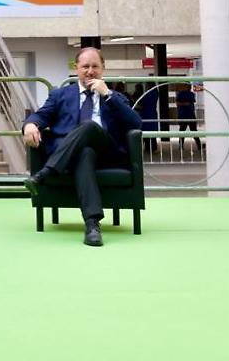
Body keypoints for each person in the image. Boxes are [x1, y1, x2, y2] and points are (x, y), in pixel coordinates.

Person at [22, 47, 142, 247]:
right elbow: (40, 115)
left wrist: (107, 94)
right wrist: (30, 125)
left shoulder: (114, 96)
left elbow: (135, 123)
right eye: (85, 66)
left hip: (107, 152)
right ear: (76, 68)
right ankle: (92, 225)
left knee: (89, 126)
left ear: (103, 68)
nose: (90, 71)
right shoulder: (60, 95)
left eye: (95, 66)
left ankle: (45, 173)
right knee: (84, 153)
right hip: (74, 155)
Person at [175, 82, 200, 152]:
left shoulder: (189, 94)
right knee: (185, 131)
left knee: (191, 131)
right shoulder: (182, 94)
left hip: (188, 115)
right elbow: (178, 103)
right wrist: (185, 104)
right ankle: (181, 146)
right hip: (185, 115)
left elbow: (178, 103)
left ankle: (198, 145)